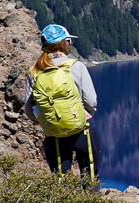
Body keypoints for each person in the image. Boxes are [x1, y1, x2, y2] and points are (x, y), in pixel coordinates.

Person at [25, 24, 99, 177]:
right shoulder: (76, 66)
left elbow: (29, 110)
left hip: (54, 132)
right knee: (90, 177)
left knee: (61, 182)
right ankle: (91, 198)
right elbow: (91, 101)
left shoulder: (34, 71)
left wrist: (49, 119)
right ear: (65, 43)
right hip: (82, 129)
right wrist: (83, 114)